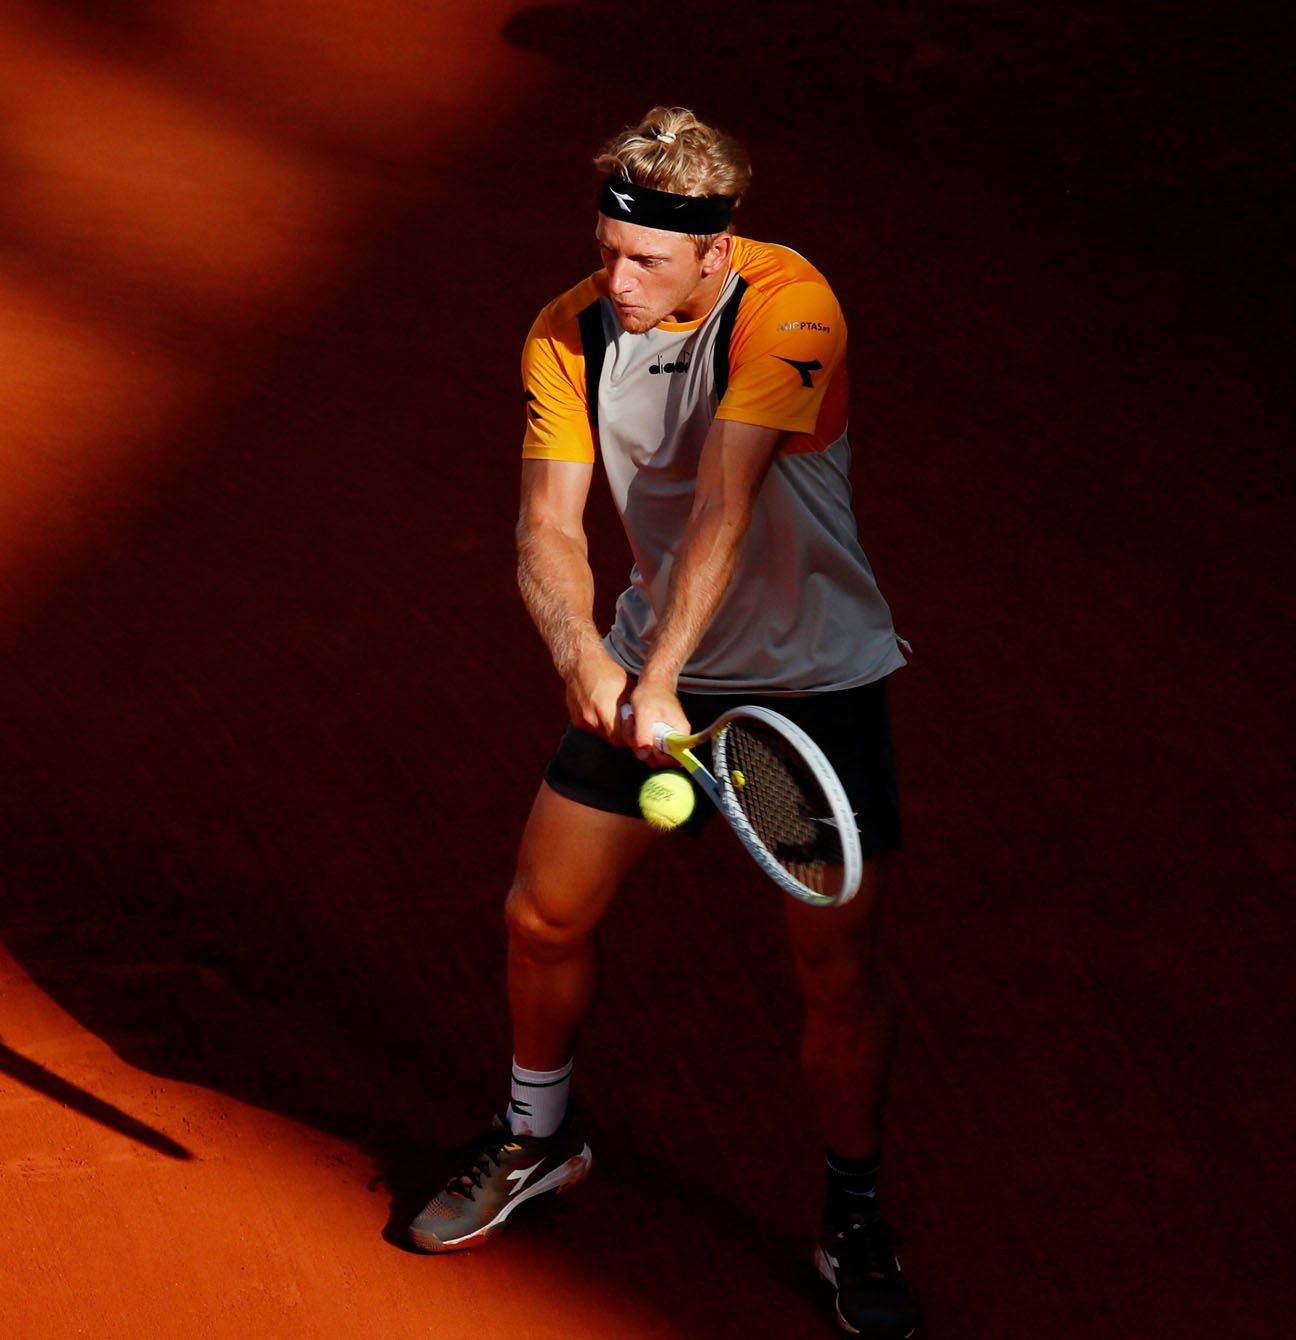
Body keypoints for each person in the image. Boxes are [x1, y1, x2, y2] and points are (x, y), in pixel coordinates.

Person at [407, 106, 920, 1339]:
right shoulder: (565, 330)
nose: (615, 277)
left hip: (808, 682)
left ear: (716, 252)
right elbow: (545, 526)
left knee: (831, 964)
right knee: (541, 910)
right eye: (606, 248)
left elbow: (726, 507)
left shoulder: (791, 308)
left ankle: (851, 1213)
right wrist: (583, 650)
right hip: (650, 658)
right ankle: (539, 1139)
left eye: (644, 260)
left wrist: (658, 676)